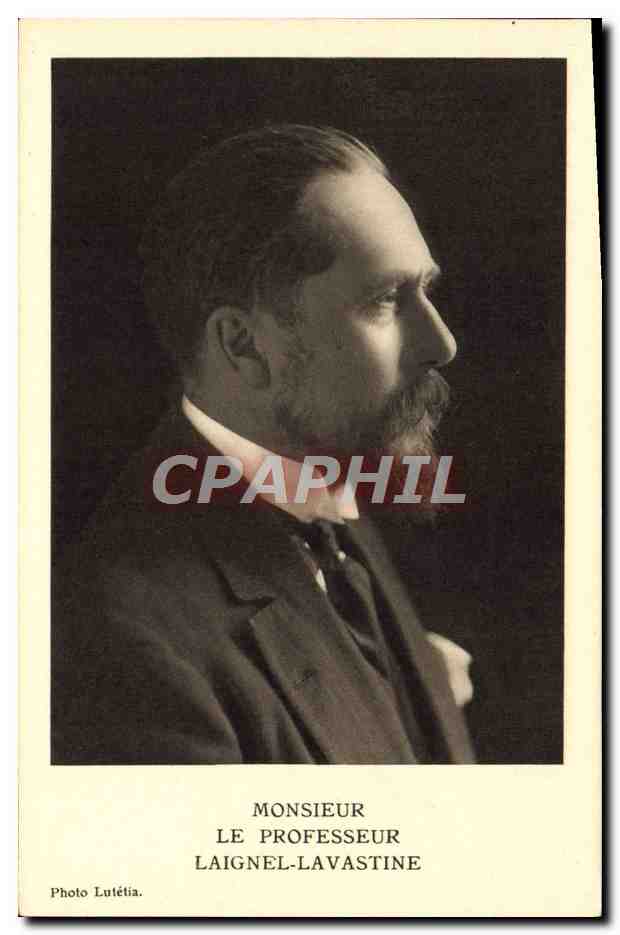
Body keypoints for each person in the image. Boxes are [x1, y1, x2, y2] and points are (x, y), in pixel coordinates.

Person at [52, 124, 475, 764]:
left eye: (427, 290)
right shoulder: (124, 648)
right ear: (244, 347)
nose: (442, 343)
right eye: (386, 300)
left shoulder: (327, 477)